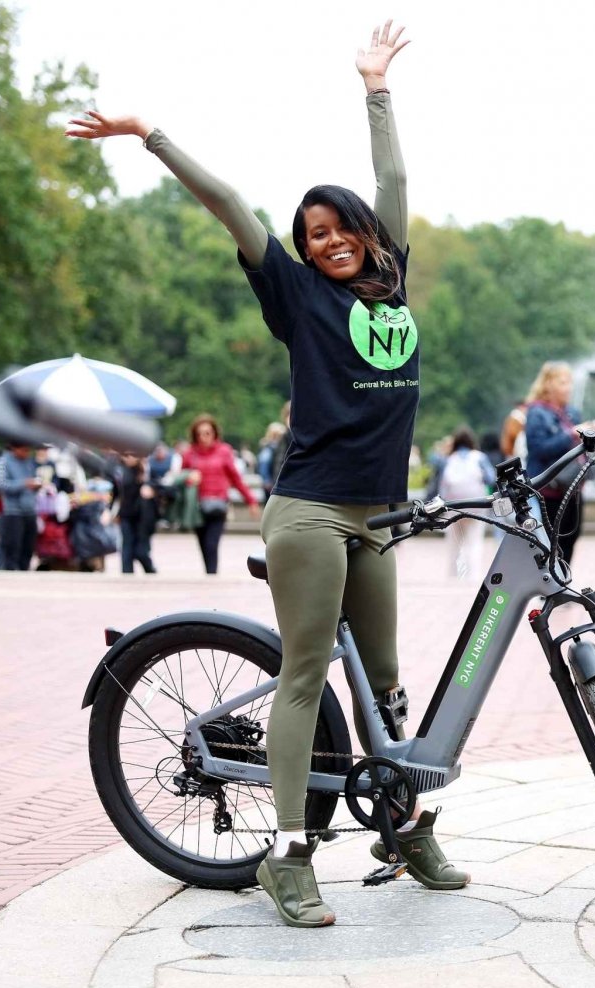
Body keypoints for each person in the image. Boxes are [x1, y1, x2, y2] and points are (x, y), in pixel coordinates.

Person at [68, 20, 470, 926]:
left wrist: (376, 88)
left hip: (377, 513)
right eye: (313, 232)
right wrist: (149, 136)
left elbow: (396, 181)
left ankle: (402, 827)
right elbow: (229, 204)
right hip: (311, 510)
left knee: (390, 685)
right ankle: (288, 857)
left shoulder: (390, 280)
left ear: (369, 239)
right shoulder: (294, 291)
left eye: (341, 230)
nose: (329, 241)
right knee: (305, 675)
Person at [524, 361, 595, 564]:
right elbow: (538, 449)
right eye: (563, 382)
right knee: (550, 540)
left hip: (572, 487)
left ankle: (561, 582)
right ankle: (550, 585)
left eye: (569, 382)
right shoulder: (537, 412)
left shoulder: (571, 413)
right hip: (549, 488)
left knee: (572, 536)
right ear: (548, 384)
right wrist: (571, 434)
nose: (569, 387)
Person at [179, 415, 260, 574]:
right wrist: (189, 479)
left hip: (218, 505)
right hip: (197, 507)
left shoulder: (224, 451)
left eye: (207, 433)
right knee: (203, 545)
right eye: (200, 433)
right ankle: (209, 573)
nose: (204, 437)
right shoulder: (189, 454)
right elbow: (181, 479)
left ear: (214, 433)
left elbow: (236, 479)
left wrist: (250, 500)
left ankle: (211, 575)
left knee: (211, 544)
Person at [437, 427, 492, 579]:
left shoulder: (448, 459)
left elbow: (441, 486)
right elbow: (490, 478)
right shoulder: (479, 457)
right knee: (474, 542)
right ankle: (473, 576)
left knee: (454, 543)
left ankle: (452, 576)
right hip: (476, 505)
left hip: (453, 505)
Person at [0, 442, 40, 571]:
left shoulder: (29, 462)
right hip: (13, 512)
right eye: (24, 449)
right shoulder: (3, 462)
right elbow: (2, 485)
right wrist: (24, 484)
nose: (26, 453)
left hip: (30, 510)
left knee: (28, 549)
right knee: (12, 549)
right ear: (14, 448)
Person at [111, 452, 159, 574]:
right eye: (126, 455)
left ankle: (151, 571)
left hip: (143, 517)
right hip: (126, 514)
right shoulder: (120, 471)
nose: (129, 458)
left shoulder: (147, 470)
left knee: (141, 551)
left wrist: (152, 489)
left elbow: (163, 487)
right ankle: (127, 577)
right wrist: (111, 511)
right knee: (126, 549)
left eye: (132, 455)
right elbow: (116, 493)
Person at [256, 421, 288, 497]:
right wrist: (267, 481)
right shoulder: (270, 448)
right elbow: (264, 465)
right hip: (270, 484)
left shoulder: (270, 447)